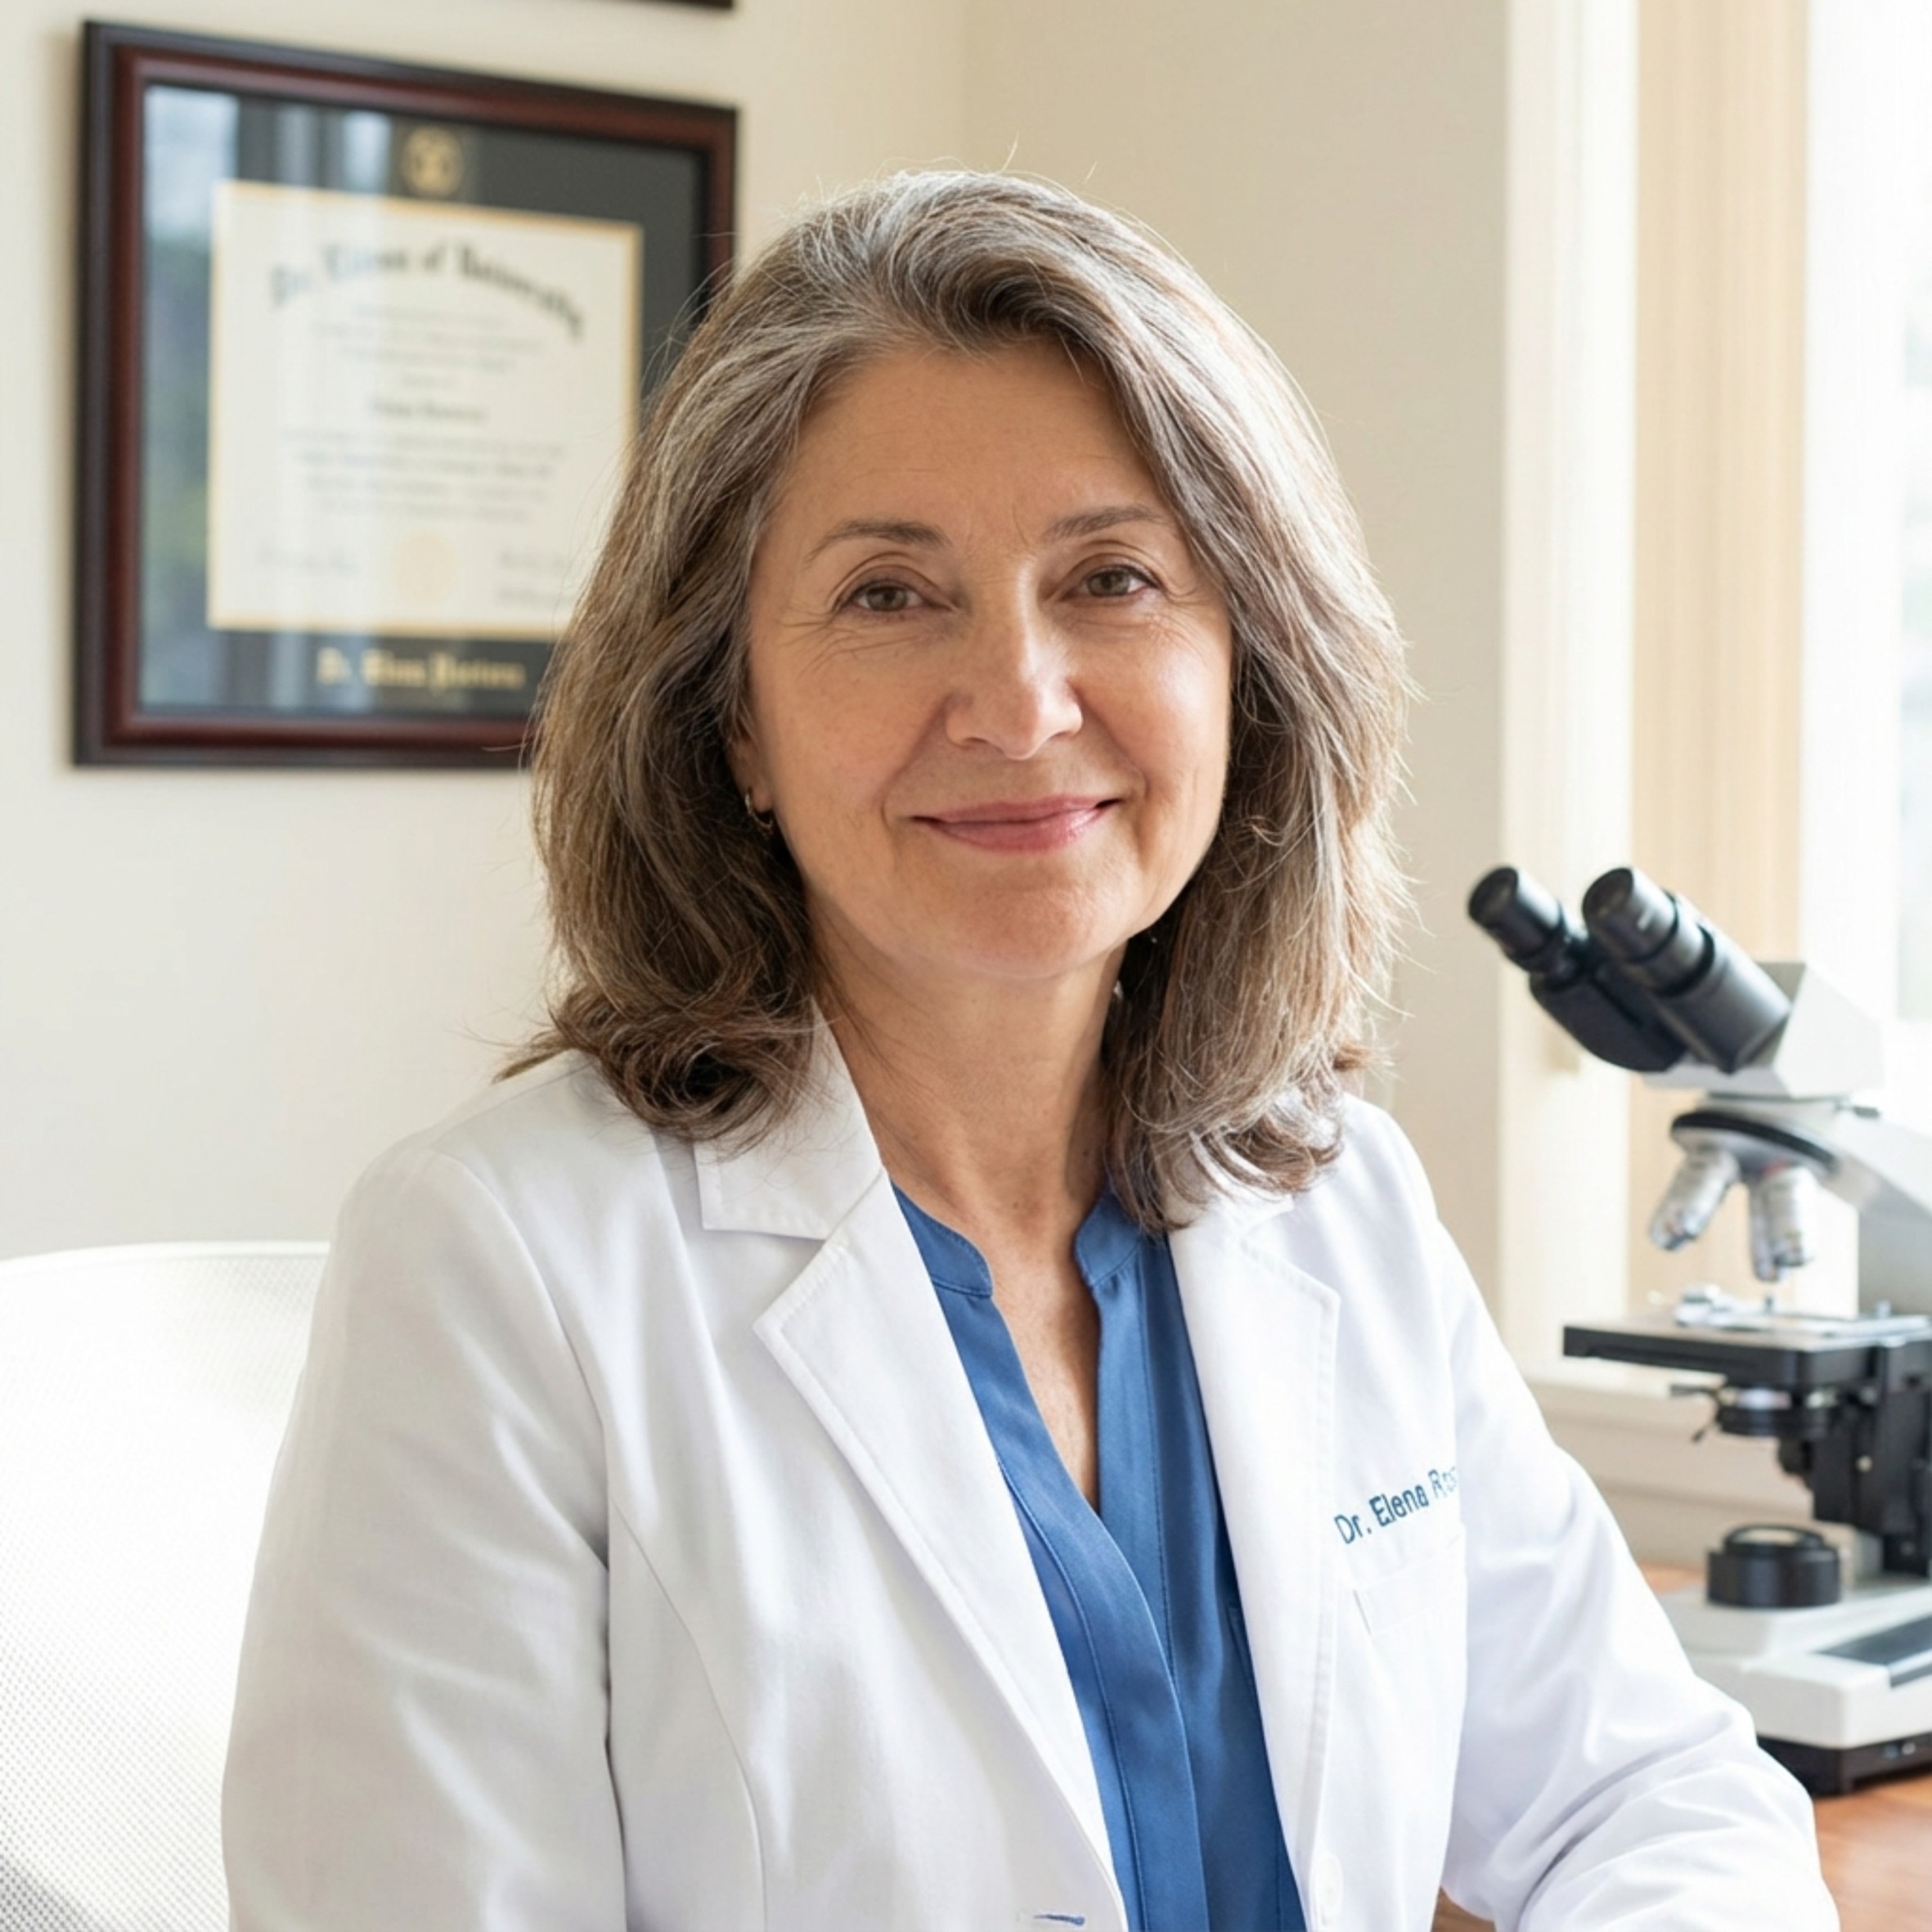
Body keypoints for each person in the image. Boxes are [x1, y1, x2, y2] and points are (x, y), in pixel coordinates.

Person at [222, 172, 1837, 1932]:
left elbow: (1650, 1796)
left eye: (1112, 576)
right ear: (730, 720)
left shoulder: (1333, 1195)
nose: (1017, 696)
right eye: (888, 594)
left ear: (1246, 671)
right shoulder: (499, 1265)